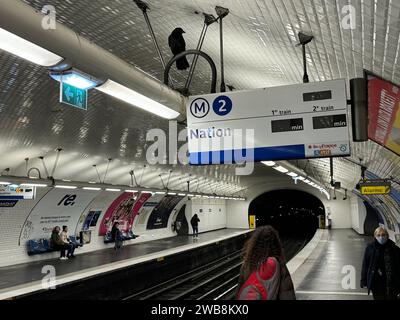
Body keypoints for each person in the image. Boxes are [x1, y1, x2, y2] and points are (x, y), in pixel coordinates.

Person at [236, 225, 296, 300]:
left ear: (254, 244)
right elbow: (287, 294)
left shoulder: (247, 265)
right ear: (275, 244)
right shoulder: (278, 264)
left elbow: (239, 292)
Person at [361, 226, 400, 300]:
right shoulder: (370, 248)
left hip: (392, 282)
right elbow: (365, 265)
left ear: (387, 236)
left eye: (383, 235)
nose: (381, 237)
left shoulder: (395, 249)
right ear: (375, 236)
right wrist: (364, 281)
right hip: (376, 283)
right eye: (378, 235)